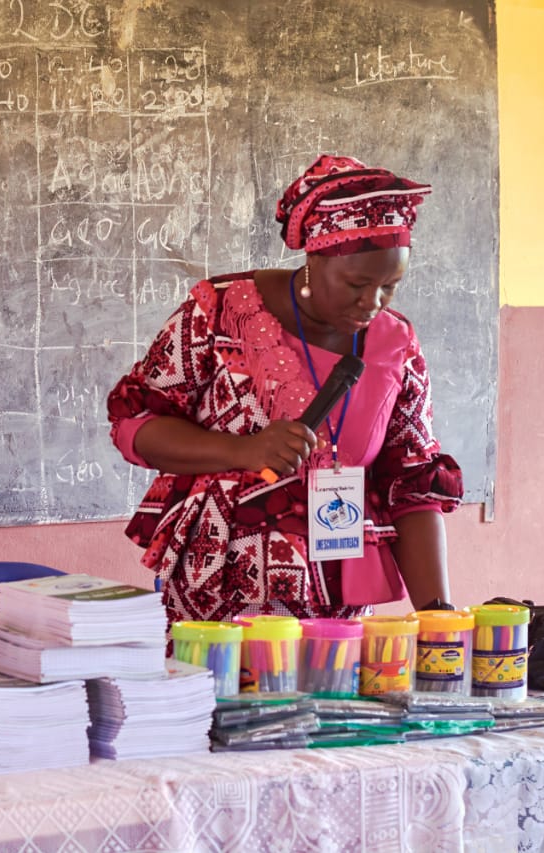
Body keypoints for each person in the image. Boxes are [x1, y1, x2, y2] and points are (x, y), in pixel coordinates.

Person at [106, 154, 463, 626]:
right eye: (357, 284)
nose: (372, 303)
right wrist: (244, 450)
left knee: (335, 700)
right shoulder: (218, 312)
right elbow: (135, 426)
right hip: (221, 601)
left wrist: (438, 616)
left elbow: (412, 484)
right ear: (314, 259)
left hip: (341, 608)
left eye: (390, 287)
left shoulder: (396, 342)